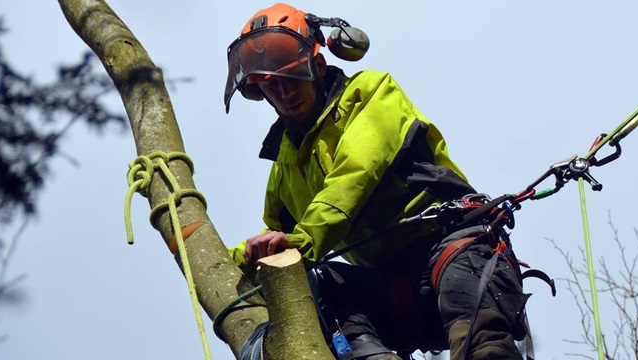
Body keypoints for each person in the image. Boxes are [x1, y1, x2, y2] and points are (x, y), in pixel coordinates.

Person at [223, 3, 538, 359]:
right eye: (271, 86)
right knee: (318, 287)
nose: (284, 93)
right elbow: (277, 244)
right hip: (395, 289)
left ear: (318, 66)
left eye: (291, 78)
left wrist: (304, 239)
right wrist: (235, 260)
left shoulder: (371, 94)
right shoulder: (285, 167)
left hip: (453, 248)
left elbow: (356, 174)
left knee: (480, 343)